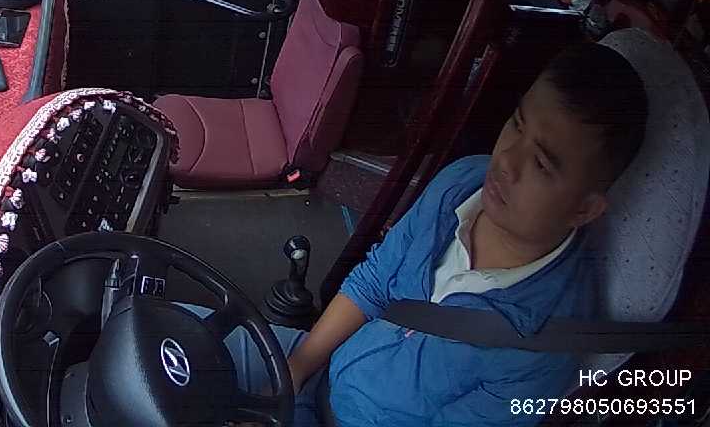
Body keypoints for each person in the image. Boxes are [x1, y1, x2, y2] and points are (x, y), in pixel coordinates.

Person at [197, 41, 648, 426]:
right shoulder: (461, 183)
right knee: (176, 343)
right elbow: (374, 282)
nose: (506, 162)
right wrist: (293, 373)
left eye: (542, 164)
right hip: (322, 365)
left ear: (584, 209)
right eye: (517, 123)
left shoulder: (543, 344)